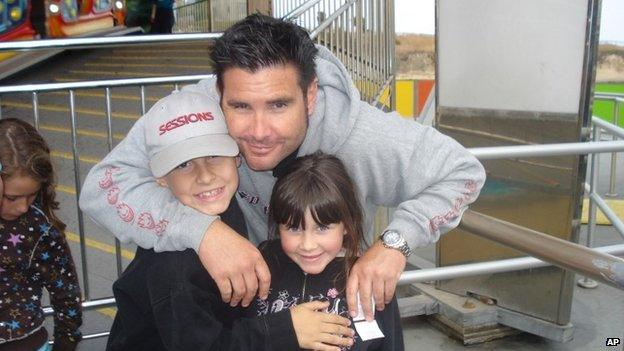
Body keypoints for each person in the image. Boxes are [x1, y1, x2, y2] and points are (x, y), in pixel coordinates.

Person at [80, 14, 486, 321]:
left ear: (309, 96)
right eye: (239, 107)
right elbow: (103, 185)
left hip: (323, 312)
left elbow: (462, 172)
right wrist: (203, 232)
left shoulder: (362, 134)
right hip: (233, 314)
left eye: (278, 105)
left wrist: (395, 244)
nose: (258, 131)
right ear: (219, 94)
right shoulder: (195, 112)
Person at [107, 91, 355, 351]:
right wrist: (286, 330)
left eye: (214, 155)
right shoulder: (173, 271)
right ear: (159, 178)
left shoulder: (218, 206)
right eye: (183, 165)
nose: (205, 176)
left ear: (237, 157)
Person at [253, 152, 404, 350]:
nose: (308, 245)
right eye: (293, 228)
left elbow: (391, 344)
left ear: (348, 224)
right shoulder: (260, 265)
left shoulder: (372, 277)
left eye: (322, 227)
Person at [0, 119, 82, 351]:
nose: (23, 208)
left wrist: (67, 340)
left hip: (25, 343)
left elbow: (65, 288)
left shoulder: (39, 228)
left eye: (32, 195)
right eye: (12, 198)